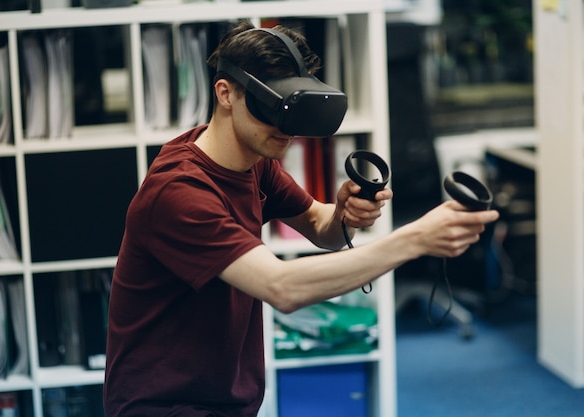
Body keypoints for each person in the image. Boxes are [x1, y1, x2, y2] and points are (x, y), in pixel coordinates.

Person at [103, 20, 499, 416]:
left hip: (224, 398)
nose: (286, 128)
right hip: (163, 405)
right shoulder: (179, 192)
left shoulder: (252, 160)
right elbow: (282, 287)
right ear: (225, 93)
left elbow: (318, 224)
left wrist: (343, 213)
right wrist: (414, 240)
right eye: (271, 106)